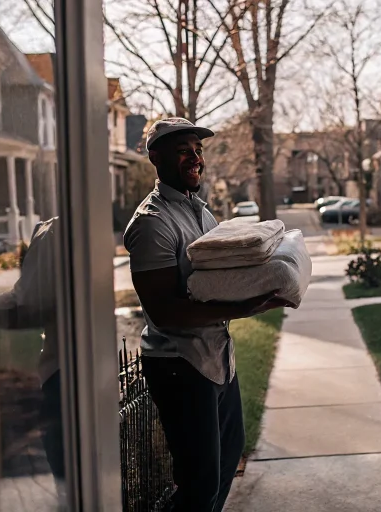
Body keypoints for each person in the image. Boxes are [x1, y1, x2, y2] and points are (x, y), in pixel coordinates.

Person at [123, 117, 288, 512]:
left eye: (198, 150)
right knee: (198, 486)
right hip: (179, 366)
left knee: (224, 467)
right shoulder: (152, 224)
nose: (195, 158)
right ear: (154, 157)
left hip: (217, 358)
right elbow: (164, 311)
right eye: (183, 150)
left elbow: (216, 280)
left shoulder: (200, 212)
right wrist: (242, 307)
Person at [0, 217, 67, 508]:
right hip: (80, 372)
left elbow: (28, 305)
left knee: (66, 481)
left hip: (63, 373)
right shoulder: (65, 228)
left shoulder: (54, 232)